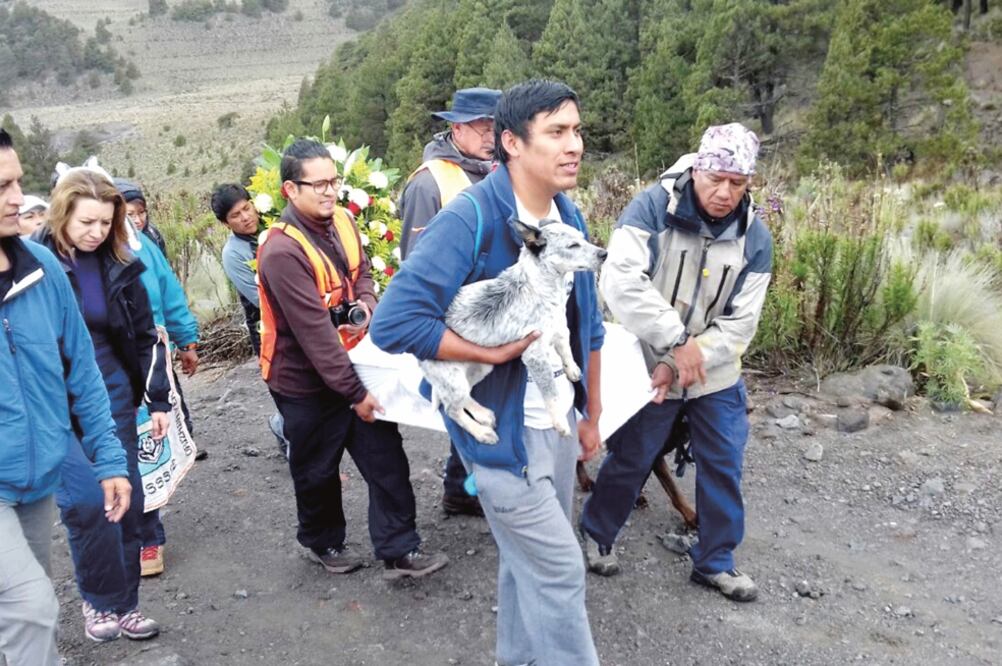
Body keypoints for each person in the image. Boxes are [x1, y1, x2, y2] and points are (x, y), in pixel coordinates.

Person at [371, 80, 604, 665]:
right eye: (556, 132)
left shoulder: (562, 211)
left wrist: (587, 413)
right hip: (499, 439)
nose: (573, 144)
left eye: (576, 130)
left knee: (527, 566)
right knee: (558, 571)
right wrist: (491, 354)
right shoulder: (469, 217)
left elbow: (585, 323)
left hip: (552, 423)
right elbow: (395, 322)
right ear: (511, 143)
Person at [579, 122, 772, 603]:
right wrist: (673, 346)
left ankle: (715, 561)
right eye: (716, 179)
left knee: (723, 461)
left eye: (738, 183)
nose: (725, 193)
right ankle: (597, 531)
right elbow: (620, 284)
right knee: (632, 456)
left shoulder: (756, 239)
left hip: (715, 373)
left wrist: (691, 355)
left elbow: (740, 325)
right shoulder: (650, 209)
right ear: (698, 167)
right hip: (647, 363)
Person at [256, 139, 448, 579]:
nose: (330, 191)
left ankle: (400, 547)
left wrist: (365, 300)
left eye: (334, 181)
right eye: (318, 184)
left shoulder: (343, 218)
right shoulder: (281, 252)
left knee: (385, 456)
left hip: (354, 360)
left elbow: (361, 271)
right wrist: (356, 394)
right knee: (316, 468)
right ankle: (323, 540)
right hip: (300, 379)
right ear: (290, 189)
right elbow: (315, 336)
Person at [0, 128, 131, 665]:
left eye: (17, 182)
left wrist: (109, 459)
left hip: (36, 477)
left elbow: (83, 372)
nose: (15, 198)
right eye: (1, 186)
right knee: (31, 608)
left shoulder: (40, 268)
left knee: (20, 610)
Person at [36, 168, 171, 642]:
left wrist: (157, 400)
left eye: (104, 223)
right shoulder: (32, 263)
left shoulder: (120, 262)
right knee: (86, 505)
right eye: (85, 223)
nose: (96, 233)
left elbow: (145, 336)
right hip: (51, 399)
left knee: (126, 500)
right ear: (61, 215)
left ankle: (127, 604)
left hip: (111, 389)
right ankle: (97, 602)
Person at [398, 86, 501, 517]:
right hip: (457, 320)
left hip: (493, 313)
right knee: (465, 400)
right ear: (456, 128)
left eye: (496, 126)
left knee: (489, 401)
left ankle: (463, 487)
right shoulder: (429, 182)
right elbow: (416, 261)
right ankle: (469, 487)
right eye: (481, 126)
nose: (490, 134)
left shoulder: (495, 170)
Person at [117, 187, 202, 577]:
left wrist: (186, 339)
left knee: (145, 446)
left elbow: (167, 291)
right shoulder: (58, 260)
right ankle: (117, 537)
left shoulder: (142, 249)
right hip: (92, 373)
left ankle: (149, 537)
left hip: (146, 356)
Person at [210, 183, 288, 454]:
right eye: (235, 215)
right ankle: (287, 434)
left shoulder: (276, 224)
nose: (245, 217)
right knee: (285, 387)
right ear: (225, 223)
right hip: (268, 328)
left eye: (246, 208)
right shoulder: (234, 254)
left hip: (298, 317)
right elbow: (260, 300)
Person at [113, 178, 166, 255]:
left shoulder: (153, 235)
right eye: (130, 215)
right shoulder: (108, 246)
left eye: (141, 212)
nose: (138, 220)